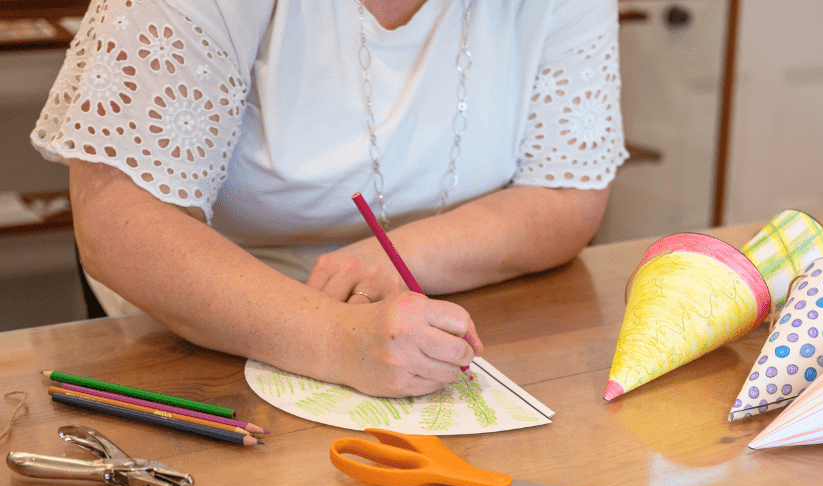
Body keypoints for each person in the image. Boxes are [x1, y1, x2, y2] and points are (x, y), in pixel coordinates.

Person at [32, 0, 628, 397]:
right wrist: (339, 338)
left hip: (434, 321)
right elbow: (116, 217)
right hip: (202, 339)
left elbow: (566, 192)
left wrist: (396, 257)